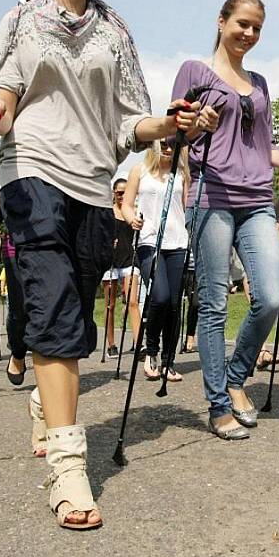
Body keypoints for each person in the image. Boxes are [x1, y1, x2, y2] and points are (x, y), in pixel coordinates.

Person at [0, 0, 215, 530]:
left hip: (91, 184)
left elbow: (133, 123)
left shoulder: (114, 30)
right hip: (30, 170)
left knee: (73, 311)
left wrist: (172, 124)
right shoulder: (20, 20)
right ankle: (69, 467)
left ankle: (42, 401)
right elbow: (3, 97)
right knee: (52, 306)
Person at [171, 0, 279, 440]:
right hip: (210, 194)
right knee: (212, 304)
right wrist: (195, 125)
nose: (248, 34)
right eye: (242, 24)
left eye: (256, 28)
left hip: (256, 198)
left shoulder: (262, 83)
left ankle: (235, 376)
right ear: (221, 20)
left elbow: (261, 147)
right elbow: (173, 135)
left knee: (269, 296)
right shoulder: (195, 71)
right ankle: (217, 404)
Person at [122, 140, 189, 382]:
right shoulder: (139, 171)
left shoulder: (182, 173)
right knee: (159, 297)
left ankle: (169, 360)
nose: (168, 148)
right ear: (154, 145)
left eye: (174, 144)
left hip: (178, 242)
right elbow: (127, 205)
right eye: (164, 144)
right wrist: (132, 220)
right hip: (150, 241)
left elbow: (184, 208)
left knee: (173, 303)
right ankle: (151, 351)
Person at [101, 178, 138, 358]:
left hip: (130, 260)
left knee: (132, 302)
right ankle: (111, 344)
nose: (122, 196)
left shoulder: (133, 211)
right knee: (110, 305)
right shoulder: (108, 212)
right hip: (111, 262)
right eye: (119, 192)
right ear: (114, 193)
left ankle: (139, 344)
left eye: (126, 192)